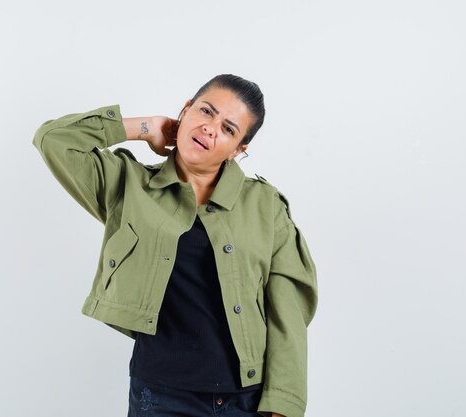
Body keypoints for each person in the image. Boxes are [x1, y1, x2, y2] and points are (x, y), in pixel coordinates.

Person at [32, 74, 318, 417]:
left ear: (239, 150)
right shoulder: (129, 185)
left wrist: (284, 403)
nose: (211, 128)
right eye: (206, 111)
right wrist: (145, 127)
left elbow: (288, 310)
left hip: (247, 399)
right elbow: (52, 139)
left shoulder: (266, 207)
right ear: (185, 110)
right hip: (160, 396)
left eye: (229, 129)